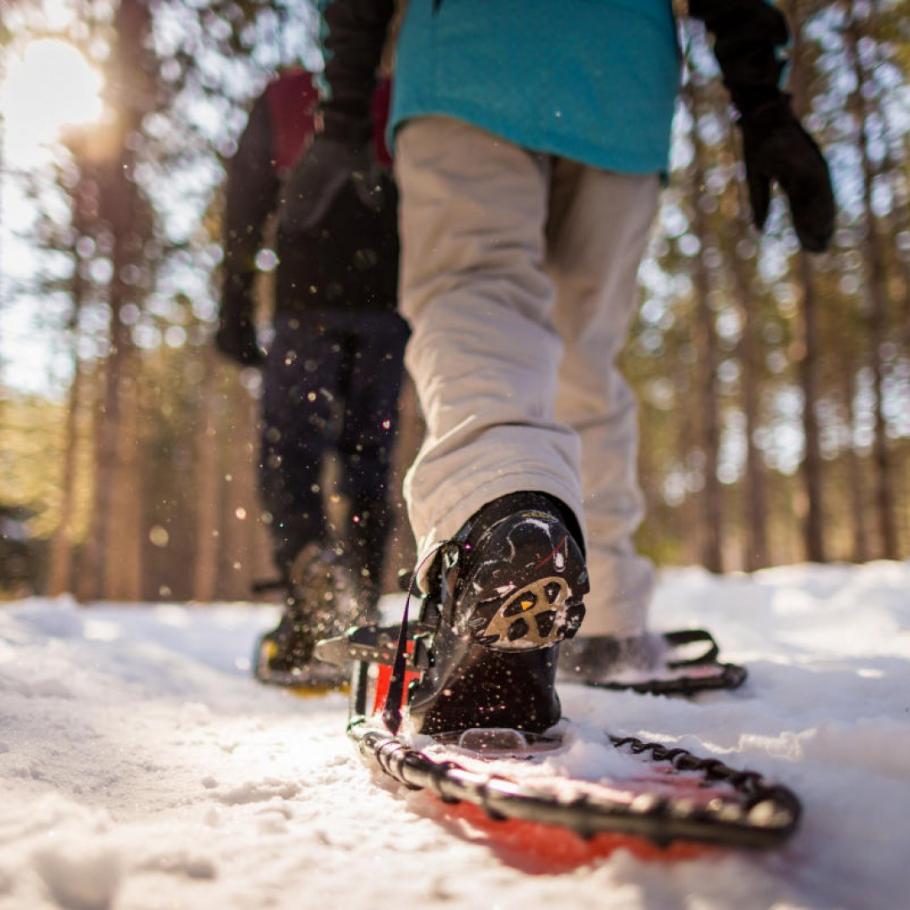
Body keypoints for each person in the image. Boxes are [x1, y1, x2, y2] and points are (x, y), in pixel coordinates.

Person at [284, 0, 834, 731]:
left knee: (475, 293)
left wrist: (344, 109)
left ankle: (501, 532)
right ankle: (603, 618)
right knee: (585, 350)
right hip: (620, 82)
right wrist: (763, 103)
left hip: (468, 60)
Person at [216, 68, 408, 686]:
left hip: (305, 309)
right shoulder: (403, 94)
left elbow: (246, 205)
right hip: (386, 314)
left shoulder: (288, 96)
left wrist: (236, 308)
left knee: (289, 456)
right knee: (368, 462)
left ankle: (309, 598)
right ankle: (358, 613)